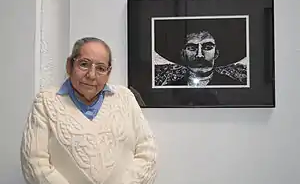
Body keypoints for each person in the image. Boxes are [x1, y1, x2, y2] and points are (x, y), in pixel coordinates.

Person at [20, 37, 158, 184]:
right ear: (69, 66)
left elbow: (147, 152)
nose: (91, 75)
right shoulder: (45, 102)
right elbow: (34, 162)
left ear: (108, 72)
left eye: (100, 68)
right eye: (84, 64)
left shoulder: (125, 98)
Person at [154, 31, 247, 87]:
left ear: (216, 53)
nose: (199, 55)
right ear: (183, 54)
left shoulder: (232, 86)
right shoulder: (171, 89)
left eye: (207, 47)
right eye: (192, 48)